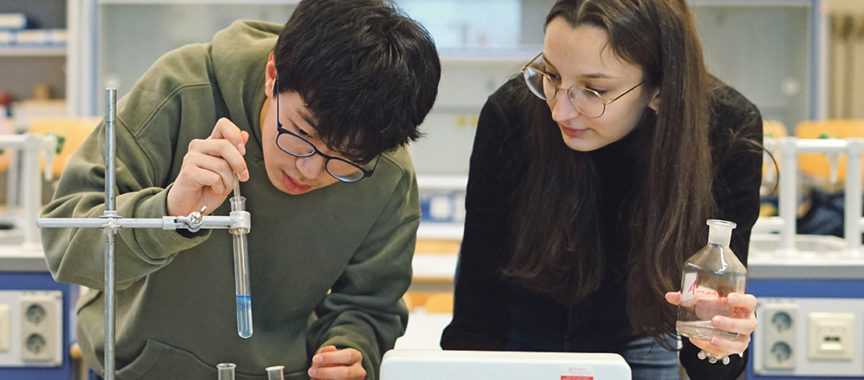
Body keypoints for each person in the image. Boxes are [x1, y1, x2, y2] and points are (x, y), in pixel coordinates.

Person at [40, 0, 440, 379]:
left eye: (345, 158)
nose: (309, 168)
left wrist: (350, 350)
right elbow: (66, 247)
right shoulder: (181, 91)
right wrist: (169, 212)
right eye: (302, 133)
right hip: (139, 370)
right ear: (272, 76)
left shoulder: (385, 170)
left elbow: (369, 304)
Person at [439, 0, 761, 379]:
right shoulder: (512, 114)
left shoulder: (725, 133)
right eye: (552, 74)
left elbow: (710, 363)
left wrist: (718, 343)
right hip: (519, 328)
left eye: (593, 89)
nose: (559, 111)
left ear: (660, 88)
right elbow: (478, 306)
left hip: (638, 337)